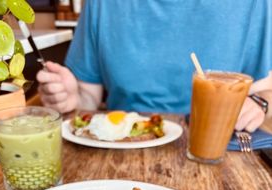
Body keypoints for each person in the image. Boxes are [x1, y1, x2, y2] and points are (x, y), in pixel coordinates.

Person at [37, 0, 272, 133]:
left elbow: (265, 91)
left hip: (220, 145)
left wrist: (260, 103)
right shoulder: (102, 4)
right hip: (121, 144)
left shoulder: (254, 4)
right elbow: (88, 98)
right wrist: (71, 98)